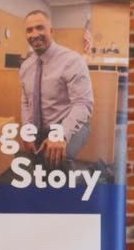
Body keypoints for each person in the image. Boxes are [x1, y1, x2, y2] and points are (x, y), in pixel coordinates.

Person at [18, 9, 94, 167]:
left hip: (70, 123)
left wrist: (60, 134)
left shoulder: (72, 61)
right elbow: (26, 101)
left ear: (51, 31)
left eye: (40, 28)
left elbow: (83, 104)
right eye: (29, 30)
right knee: (34, 163)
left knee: (58, 162)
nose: (34, 34)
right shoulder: (26, 66)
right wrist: (26, 130)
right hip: (41, 127)